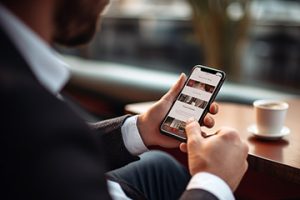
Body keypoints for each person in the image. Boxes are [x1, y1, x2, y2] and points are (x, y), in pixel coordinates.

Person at [0, 0, 249, 199]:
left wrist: (140, 127)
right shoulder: (22, 111)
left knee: (162, 165)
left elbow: (55, 148)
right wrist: (214, 183)